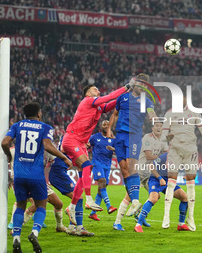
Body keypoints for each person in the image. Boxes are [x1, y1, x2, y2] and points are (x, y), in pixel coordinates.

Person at [2, 102, 72, 253]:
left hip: (19, 174)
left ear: (25, 114)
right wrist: (65, 158)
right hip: (36, 174)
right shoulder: (45, 127)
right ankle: (34, 233)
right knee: (41, 205)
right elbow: (47, 146)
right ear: (39, 114)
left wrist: (9, 156)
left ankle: (16, 238)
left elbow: (4, 143)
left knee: (21, 205)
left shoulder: (17, 125)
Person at [63, 79, 135, 225]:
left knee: (83, 177)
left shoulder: (96, 107)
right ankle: (88, 200)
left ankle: (71, 207)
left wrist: (123, 97)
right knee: (87, 166)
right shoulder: (88, 101)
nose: (98, 91)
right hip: (72, 138)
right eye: (96, 89)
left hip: (81, 142)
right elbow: (108, 98)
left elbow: (108, 105)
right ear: (88, 93)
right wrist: (125, 87)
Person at [106, 74, 157, 231]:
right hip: (120, 135)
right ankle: (134, 201)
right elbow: (114, 114)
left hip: (134, 136)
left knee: (132, 167)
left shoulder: (146, 102)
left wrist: (154, 118)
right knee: (124, 171)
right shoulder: (123, 98)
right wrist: (109, 129)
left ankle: (134, 201)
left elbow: (151, 114)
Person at [160, 93, 202, 231]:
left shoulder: (195, 113)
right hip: (175, 150)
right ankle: (166, 216)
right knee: (171, 180)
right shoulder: (169, 113)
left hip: (190, 151)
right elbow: (163, 137)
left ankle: (191, 218)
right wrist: (167, 137)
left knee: (191, 181)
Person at [49, 137, 94, 236]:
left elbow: (80, 168)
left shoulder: (72, 143)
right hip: (58, 173)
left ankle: (71, 227)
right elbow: (62, 149)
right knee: (78, 198)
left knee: (77, 196)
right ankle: (79, 227)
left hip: (59, 172)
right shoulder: (69, 140)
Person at [134, 152, 190, 232]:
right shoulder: (166, 156)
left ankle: (181, 224)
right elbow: (151, 166)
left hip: (169, 181)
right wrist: (160, 178)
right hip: (155, 179)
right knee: (153, 198)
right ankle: (138, 225)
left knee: (184, 197)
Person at [88, 120, 117, 221]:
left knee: (101, 188)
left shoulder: (113, 139)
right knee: (102, 182)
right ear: (101, 126)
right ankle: (109, 206)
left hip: (107, 166)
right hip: (97, 164)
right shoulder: (95, 137)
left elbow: (119, 151)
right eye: (103, 124)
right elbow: (87, 145)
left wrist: (113, 149)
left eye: (107, 124)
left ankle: (93, 213)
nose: (105, 125)